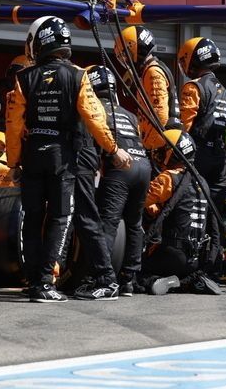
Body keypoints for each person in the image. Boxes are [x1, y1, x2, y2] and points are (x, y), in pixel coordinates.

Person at [6, 16, 131, 303]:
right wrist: (113, 150)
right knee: (61, 218)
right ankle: (47, 282)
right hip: (64, 159)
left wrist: (13, 163)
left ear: (38, 43)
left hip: (32, 157)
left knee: (32, 219)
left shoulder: (23, 78)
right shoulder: (77, 75)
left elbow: (13, 126)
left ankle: (37, 282)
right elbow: (95, 117)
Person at [87, 65, 153, 297]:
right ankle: (129, 279)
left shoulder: (95, 109)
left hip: (120, 168)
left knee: (108, 223)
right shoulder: (129, 114)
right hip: (143, 166)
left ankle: (101, 279)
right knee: (134, 224)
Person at [141, 129, 221, 295]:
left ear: (174, 153)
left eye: (162, 151)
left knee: (134, 271)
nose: (158, 155)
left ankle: (153, 280)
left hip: (171, 254)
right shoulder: (202, 182)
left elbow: (139, 201)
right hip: (195, 259)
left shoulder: (168, 178)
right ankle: (189, 282)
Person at [177, 37, 226, 214]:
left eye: (184, 60)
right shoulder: (224, 91)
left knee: (190, 206)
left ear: (194, 59)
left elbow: (184, 127)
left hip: (198, 154)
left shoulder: (194, 87)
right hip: (219, 157)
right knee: (215, 211)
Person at [114, 26, 180, 150]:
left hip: (159, 143)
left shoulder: (152, 72)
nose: (125, 60)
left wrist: (150, 146)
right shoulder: (150, 69)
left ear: (135, 49)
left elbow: (159, 114)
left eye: (125, 54)